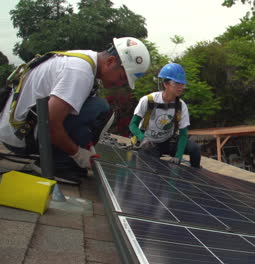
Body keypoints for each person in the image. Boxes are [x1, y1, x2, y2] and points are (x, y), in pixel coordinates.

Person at [0, 37, 151, 185]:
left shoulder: (85, 61)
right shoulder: (80, 71)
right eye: (122, 78)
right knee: (100, 108)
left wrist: (85, 146)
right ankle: (55, 163)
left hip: (19, 133)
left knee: (93, 108)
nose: (120, 84)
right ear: (110, 62)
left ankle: (61, 159)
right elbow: (50, 122)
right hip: (22, 138)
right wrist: (77, 153)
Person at [129, 63, 201, 168]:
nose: (180, 87)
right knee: (151, 167)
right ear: (166, 84)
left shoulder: (181, 106)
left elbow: (183, 134)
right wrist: (142, 138)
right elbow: (133, 125)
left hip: (168, 142)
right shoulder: (148, 100)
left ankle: (196, 175)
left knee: (195, 149)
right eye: (177, 83)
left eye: (182, 84)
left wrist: (178, 156)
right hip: (149, 143)